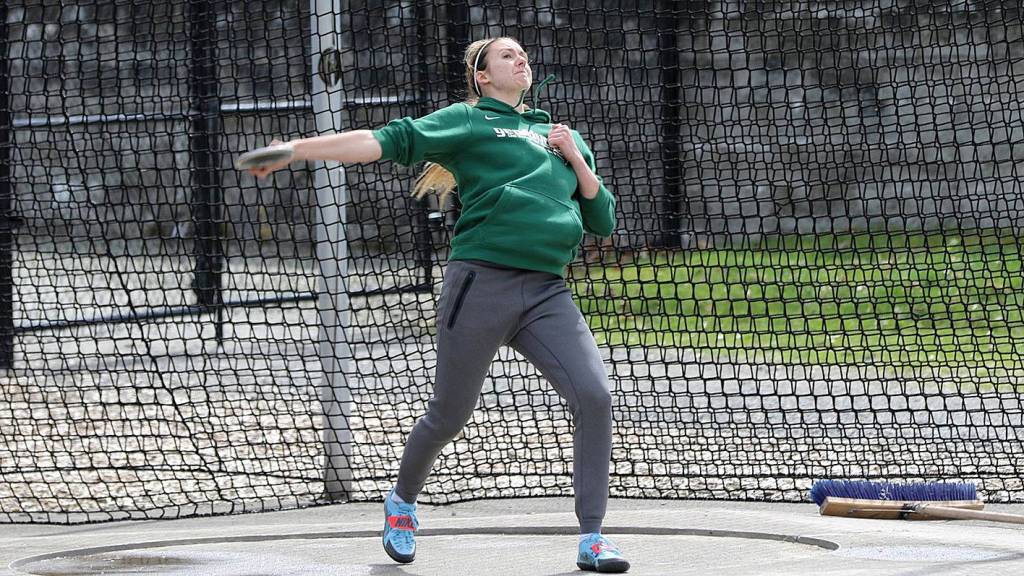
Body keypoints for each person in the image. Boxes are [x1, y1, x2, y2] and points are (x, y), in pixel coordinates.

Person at [247, 36, 629, 574]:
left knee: (595, 396)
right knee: (450, 414)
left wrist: (574, 158)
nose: (520, 59)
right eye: (506, 55)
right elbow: (383, 140)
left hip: (547, 291)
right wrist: (296, 149)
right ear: (483, 77)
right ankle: (402, 502)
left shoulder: (558, 134)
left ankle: (592, 537)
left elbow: (602, 220)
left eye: (522, 53)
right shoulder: (468, 121)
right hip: (482, 283)